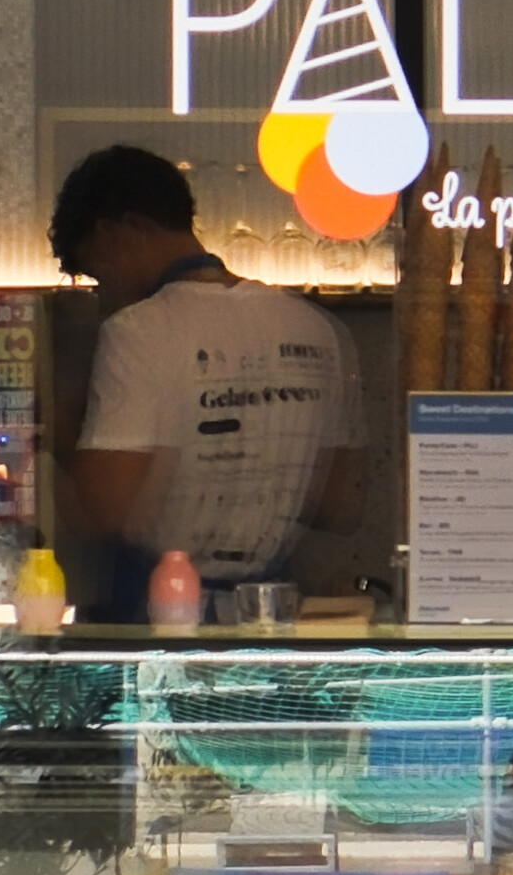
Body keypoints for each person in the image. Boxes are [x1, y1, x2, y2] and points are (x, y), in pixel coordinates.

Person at [52, 145, 360, 623]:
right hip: (272, 613)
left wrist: (54, 419)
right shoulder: (317, 328)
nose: (104, 294)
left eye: (98, 275)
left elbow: (102, 511)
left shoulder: (138, 331)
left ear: (119, 231)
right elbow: (340, 506)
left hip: (158, 615)